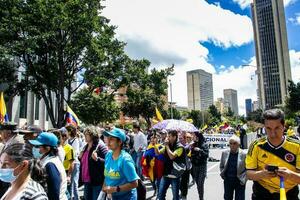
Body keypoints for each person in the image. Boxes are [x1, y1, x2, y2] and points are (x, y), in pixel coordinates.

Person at [246, 109, 300, 200]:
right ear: (264, 127)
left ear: (284, 126)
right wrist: (262, 174)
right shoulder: (255, 146)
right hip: (262, 194)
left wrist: (290, 175)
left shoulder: (297, 146)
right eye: (268, 129)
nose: (273, 134)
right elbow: (248, 174)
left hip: (289, 194)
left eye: (277, 128)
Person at [29, 132, 68, 200]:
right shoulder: (46, 161)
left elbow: (54, 192)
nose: (35, 148)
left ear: (47, 148)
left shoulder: (50, 165)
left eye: (38, 146)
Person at [102, 128, 139, 200]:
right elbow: (107, 176)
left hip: (127, 197)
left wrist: (115, 189)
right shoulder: (108, 155)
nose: (108, 141)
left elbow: (135, 183)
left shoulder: (125, 160)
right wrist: (104, 188)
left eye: (112, 139)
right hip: (113, 197)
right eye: (108, 138)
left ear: (120, 142)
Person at [79, 126, 108, 200]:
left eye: (86, 134)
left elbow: (108, 163)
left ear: (92, 135)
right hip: (86, 181)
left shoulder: (100, 147)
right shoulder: (85, 147)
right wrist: (80, 158)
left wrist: (97, 159)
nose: (84, 136)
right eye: (84, 134)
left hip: (96, 181)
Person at [157, 130, 186, 200]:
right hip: (166, 174)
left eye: (169, 136)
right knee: (160, 195)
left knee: (175, 197)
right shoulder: (167, 144)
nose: (167, 138)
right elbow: (158, 152)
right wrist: (156, 144)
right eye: (167, 136)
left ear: (174, 137)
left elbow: (172, 156)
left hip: (175, 175)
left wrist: (166, 146)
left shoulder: (180, 147)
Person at [0, 123, 24, 198]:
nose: (0, 134)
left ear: (8, 133)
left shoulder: (17, 143)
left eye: (1, 131)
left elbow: (13, 162)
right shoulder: (9, 142)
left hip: (11, 176)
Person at [220, 135, 247, 200]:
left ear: (238, 144)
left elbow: (248, 168)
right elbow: (221, 166)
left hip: (239, 181)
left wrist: (244, 179)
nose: (232, 145)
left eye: (234, 143)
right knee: (227, 198)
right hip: (228, 180)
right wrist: (223, 175)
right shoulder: (224, 153)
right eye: (230, 143)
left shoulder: (244, 154)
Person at [190, 132, 209, 200]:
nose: (193, 137)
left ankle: (201, 198)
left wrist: (199, 150)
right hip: (195, 166)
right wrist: (190, 149)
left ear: (198, 137)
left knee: (200, 184)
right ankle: (200, 197)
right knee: (198, 184)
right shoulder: (193, 144)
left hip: (202, 167)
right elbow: (190, 155)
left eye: (194, 136)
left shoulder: (204, 144)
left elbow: (206, 155)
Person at [66, 124, 81, 200]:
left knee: (74, 183)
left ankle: (76, 198)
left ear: (70, 131)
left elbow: (75, 153)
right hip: (69, 163)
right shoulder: (68, 140)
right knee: (69, 184)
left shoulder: (76, 140)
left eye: (67, 130)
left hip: (75, 163)